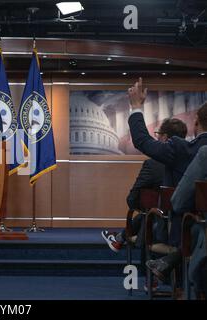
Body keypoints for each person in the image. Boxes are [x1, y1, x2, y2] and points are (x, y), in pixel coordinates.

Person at [128, 77, 207, 294]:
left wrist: (136, 108)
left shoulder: (184, 150)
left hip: (184, 229)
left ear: (196, 124)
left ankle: (177, 278)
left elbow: (142, 141)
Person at [102, 118, 188, 253]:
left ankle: (120, 238)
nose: (157, 137)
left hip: (163, 228)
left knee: (146, 214)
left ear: (165, 137)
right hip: (190, 225)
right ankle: (119, 238)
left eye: (158, 134)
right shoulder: (193, 160)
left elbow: (132, 200)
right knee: (149, 212)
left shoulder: (153, 165)